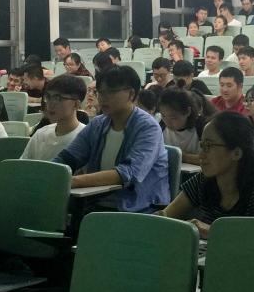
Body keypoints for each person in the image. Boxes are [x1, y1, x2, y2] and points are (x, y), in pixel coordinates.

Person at [53, 66, 168, 211]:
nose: (102, 98)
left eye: (110, 92)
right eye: (100, 92)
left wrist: (72, 181)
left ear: (131, 94)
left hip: (139, 209)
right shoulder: (97, 124)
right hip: (96, 205)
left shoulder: (148, 128)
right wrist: (50, 173)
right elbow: (69, 157)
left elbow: (128, 173)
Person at [158, 110, 254, 235]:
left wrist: (215, 232)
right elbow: (166, 216)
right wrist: (154, 220)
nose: (201, 155)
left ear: (236, 153)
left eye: (208, 146)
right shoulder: (203, 180)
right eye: (202, 146)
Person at [20, 76, 88, 161]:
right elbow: (23, 166)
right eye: (48, 97)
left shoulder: (86, 138)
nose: (50, 104)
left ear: (76, 104)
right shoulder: (40, 134)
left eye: (58, 98)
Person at [158, 86, 206, 166]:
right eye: (163, 116)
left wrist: (182, 156)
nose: (167, 122)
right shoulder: (161, 126)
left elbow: (211, 159)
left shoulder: (202, 127)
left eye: (173, 118)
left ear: (188, 111)